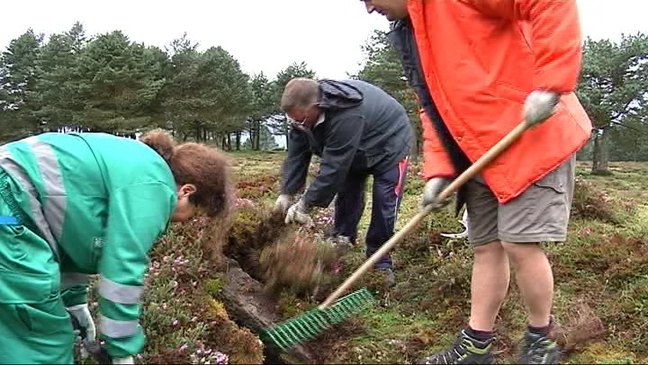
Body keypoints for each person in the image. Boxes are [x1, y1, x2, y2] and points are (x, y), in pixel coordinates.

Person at [360, 1, 593, 364]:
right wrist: (439, 171)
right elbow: (432, 106)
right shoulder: (410, 34)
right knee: (485, 247)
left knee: (520, 244)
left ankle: (540, 340)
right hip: (476, 153)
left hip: (529, 137)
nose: (369, 8)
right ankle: (476, 343)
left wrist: (551, 83)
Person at [0, 129, 232, 364]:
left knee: (17, 333)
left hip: (12, 208)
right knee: (43, 344)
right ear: (186, 191)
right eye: (192, 214)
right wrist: (122, 351)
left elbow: (73, 235)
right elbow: (123, 266)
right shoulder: (155, 184)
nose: (183, 222)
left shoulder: (137, 165)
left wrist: (74, 301)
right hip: (7, 211)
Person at [274, 77, 413, 287]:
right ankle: (342, 241)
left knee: (385, 203)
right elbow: (296, 156)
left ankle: (379, 261)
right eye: (293, 121)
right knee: (347, 194)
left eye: (301, 120)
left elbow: (334, 166)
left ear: (316, 106)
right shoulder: (302, 119)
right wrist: (287, 193)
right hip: (354, 148)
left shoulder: (347, 114)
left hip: (389, 144)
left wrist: (305, 204)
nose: (298, 124)